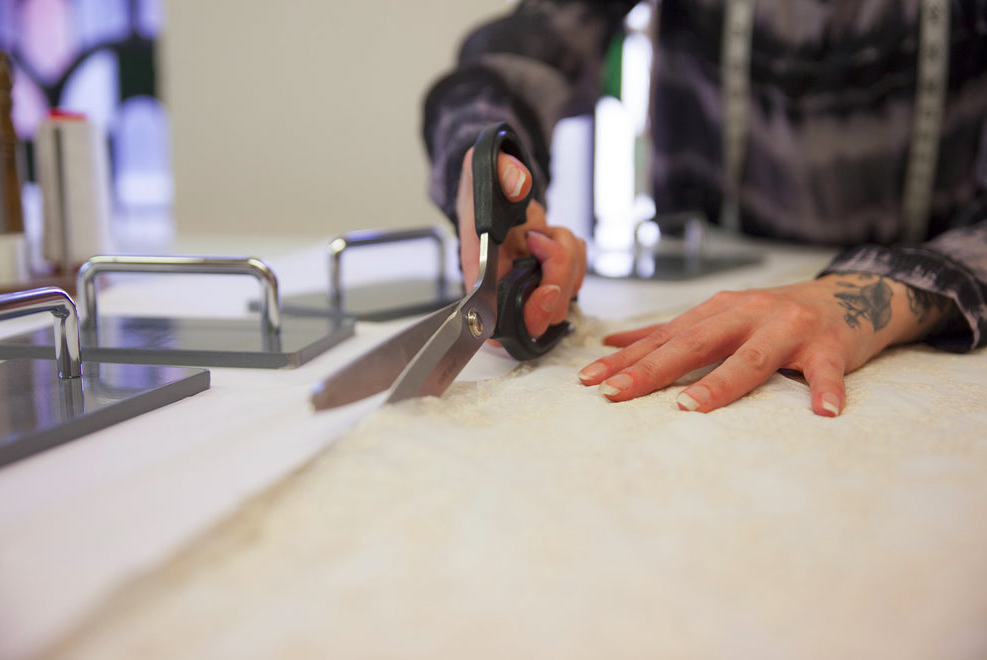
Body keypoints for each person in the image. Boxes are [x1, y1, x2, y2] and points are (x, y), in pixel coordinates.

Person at [422, 0, 987, 417]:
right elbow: (520, 51)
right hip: (692, 275)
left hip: (944, 290)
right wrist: (486, 164)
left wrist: (881, 291)